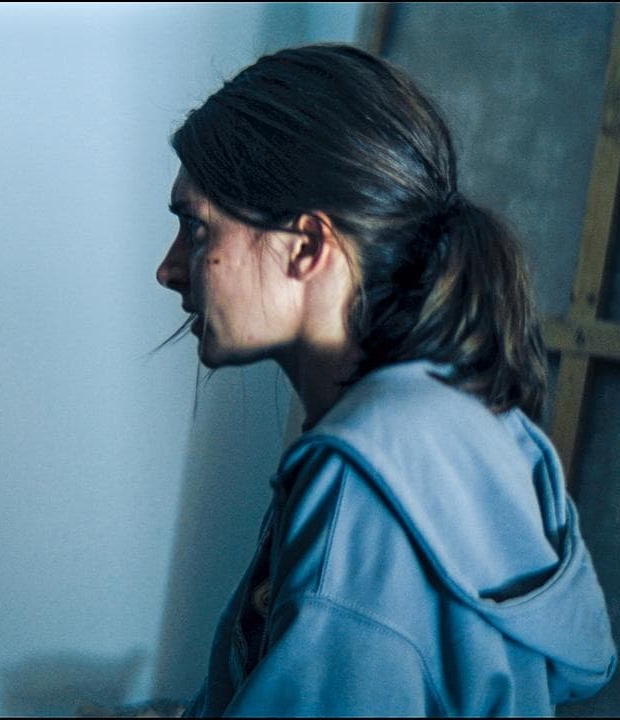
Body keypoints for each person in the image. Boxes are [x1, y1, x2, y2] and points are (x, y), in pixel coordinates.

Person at [155, 44, 616, 715]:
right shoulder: (474, 426)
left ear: (306, 247)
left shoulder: (358, 482)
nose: (169, 269)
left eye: (196, 230)